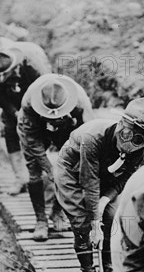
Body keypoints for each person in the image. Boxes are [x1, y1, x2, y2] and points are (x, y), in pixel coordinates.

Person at [55, 97, 144, 272]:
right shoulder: (93, 137)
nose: (130, 139)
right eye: (126, 133)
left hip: (105, 174)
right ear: (120, 124)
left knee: (112, 218)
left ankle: (107, 269)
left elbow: (126, 177)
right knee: (81, 222)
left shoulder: (140, 147)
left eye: (137, 135)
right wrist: (95, 223)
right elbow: (89, 181)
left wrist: (104, 201)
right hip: (72, 169)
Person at [17, 74, 95, 242]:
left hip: (68, 130)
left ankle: (57, 212)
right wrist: (49, 168)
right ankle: (40, 220)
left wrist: (68, 168)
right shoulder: (29, 103)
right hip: (36, 130)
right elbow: (32, 141)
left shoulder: (80, 104)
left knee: (70, 172)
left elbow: (86, 138)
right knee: (34, 172)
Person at [0, 42, 51, 194]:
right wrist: (13, 112)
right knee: (11, 135)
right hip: (12, 106)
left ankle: (37, 177)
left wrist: (30, 113)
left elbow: (44, 92)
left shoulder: (33, 69)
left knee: (37, 138)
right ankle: (19, 179)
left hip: (34, 105)